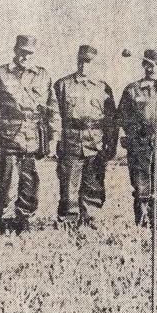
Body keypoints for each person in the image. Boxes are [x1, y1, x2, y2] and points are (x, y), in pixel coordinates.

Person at [0, 35, 60, 234]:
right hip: (8, 136)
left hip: (34, 137)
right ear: (15, 50)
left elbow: (53, 110)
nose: (25, 57)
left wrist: (54, 137)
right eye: (22, 52)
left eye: (29, 53)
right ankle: (5, 221)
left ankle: (24, 220)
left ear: (34, 54)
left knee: (30, 181)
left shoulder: (43, 75)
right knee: (8, 182)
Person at [53, 45, 117, 229]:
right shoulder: (63, 85)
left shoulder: (103, 88)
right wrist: (55, 140)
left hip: (95, 142)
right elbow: (54, 115)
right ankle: (68, 222)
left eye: (88, 62)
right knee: (69, 185)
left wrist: (110, 145)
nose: (84, 65)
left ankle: (90, 220)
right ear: (77, 60)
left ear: (95, 63)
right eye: (81, 61)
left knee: (94, 183)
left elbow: (111, 120)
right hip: (71, 141)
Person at [118, 49, 157, 228]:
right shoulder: (132, 90)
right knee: (141, 188)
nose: (152, 69)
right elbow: (122, 117)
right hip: (140, 145)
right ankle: (142, 225)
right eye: (148, 64)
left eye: (156, 65)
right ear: (143, 65)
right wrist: (138, 131)